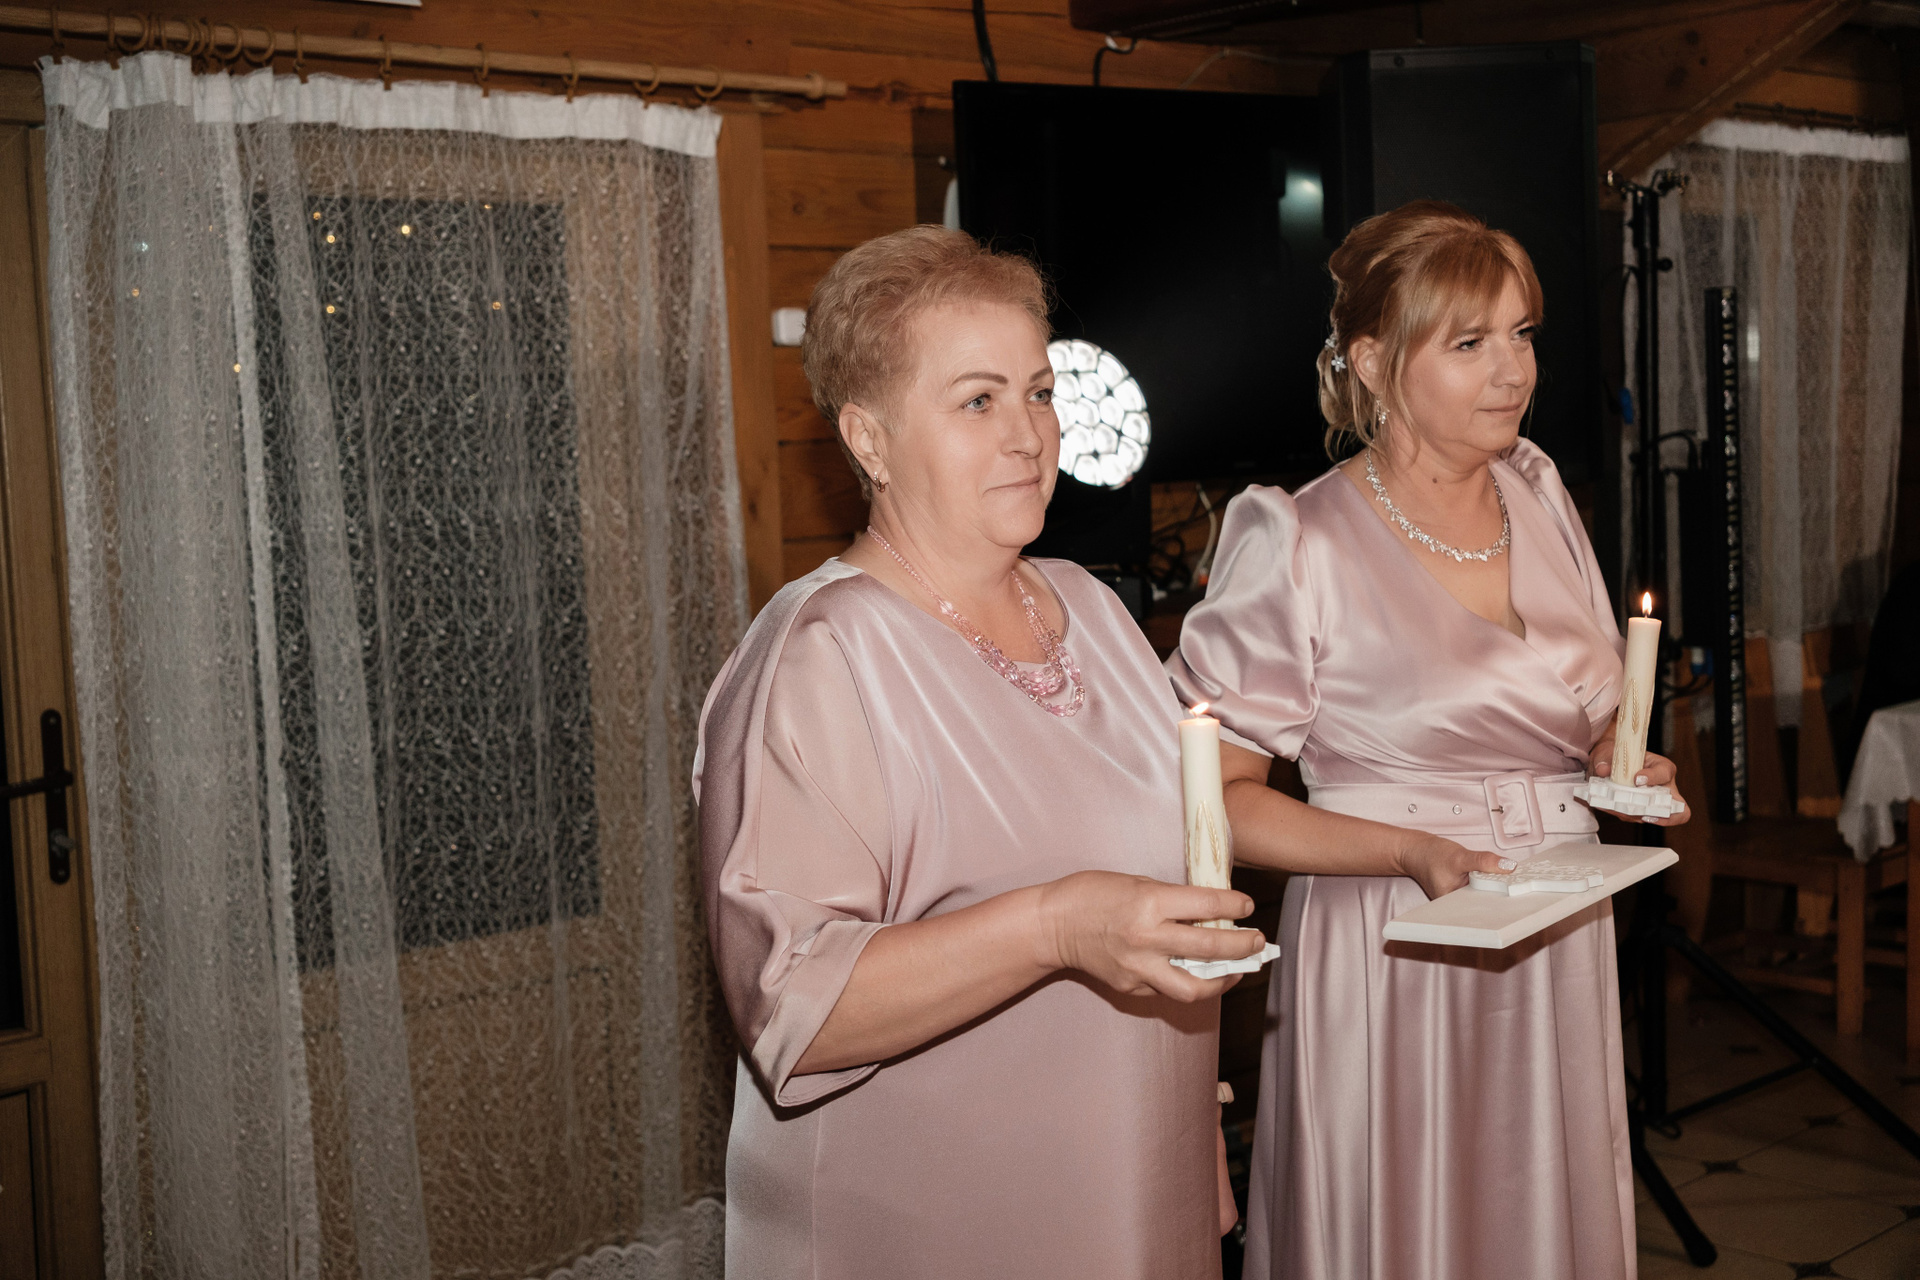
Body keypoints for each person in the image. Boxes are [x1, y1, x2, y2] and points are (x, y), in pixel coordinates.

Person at [694, 225, 1262, 1279]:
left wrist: (1184, 1121)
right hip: (936, 1213)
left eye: (1039, 392)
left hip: (1127, 1174)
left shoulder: (1093, 609)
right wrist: (1056, 924)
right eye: (977, 401)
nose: (1029, 435)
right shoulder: (821, 655)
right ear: (869, 439)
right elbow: (793, 1009)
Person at [1167, 200, 1689, 1280]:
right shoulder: (1297, 536)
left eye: (1522, 334)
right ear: (1372, 361)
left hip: (1559, 914)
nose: (1513, 371)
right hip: (1392, 932)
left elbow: (1586, 712)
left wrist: (1617, 759)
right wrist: (1406, 849)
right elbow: (1220, 801)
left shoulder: (1538, 489)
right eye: (1469, 343)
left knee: (1540, 1208)